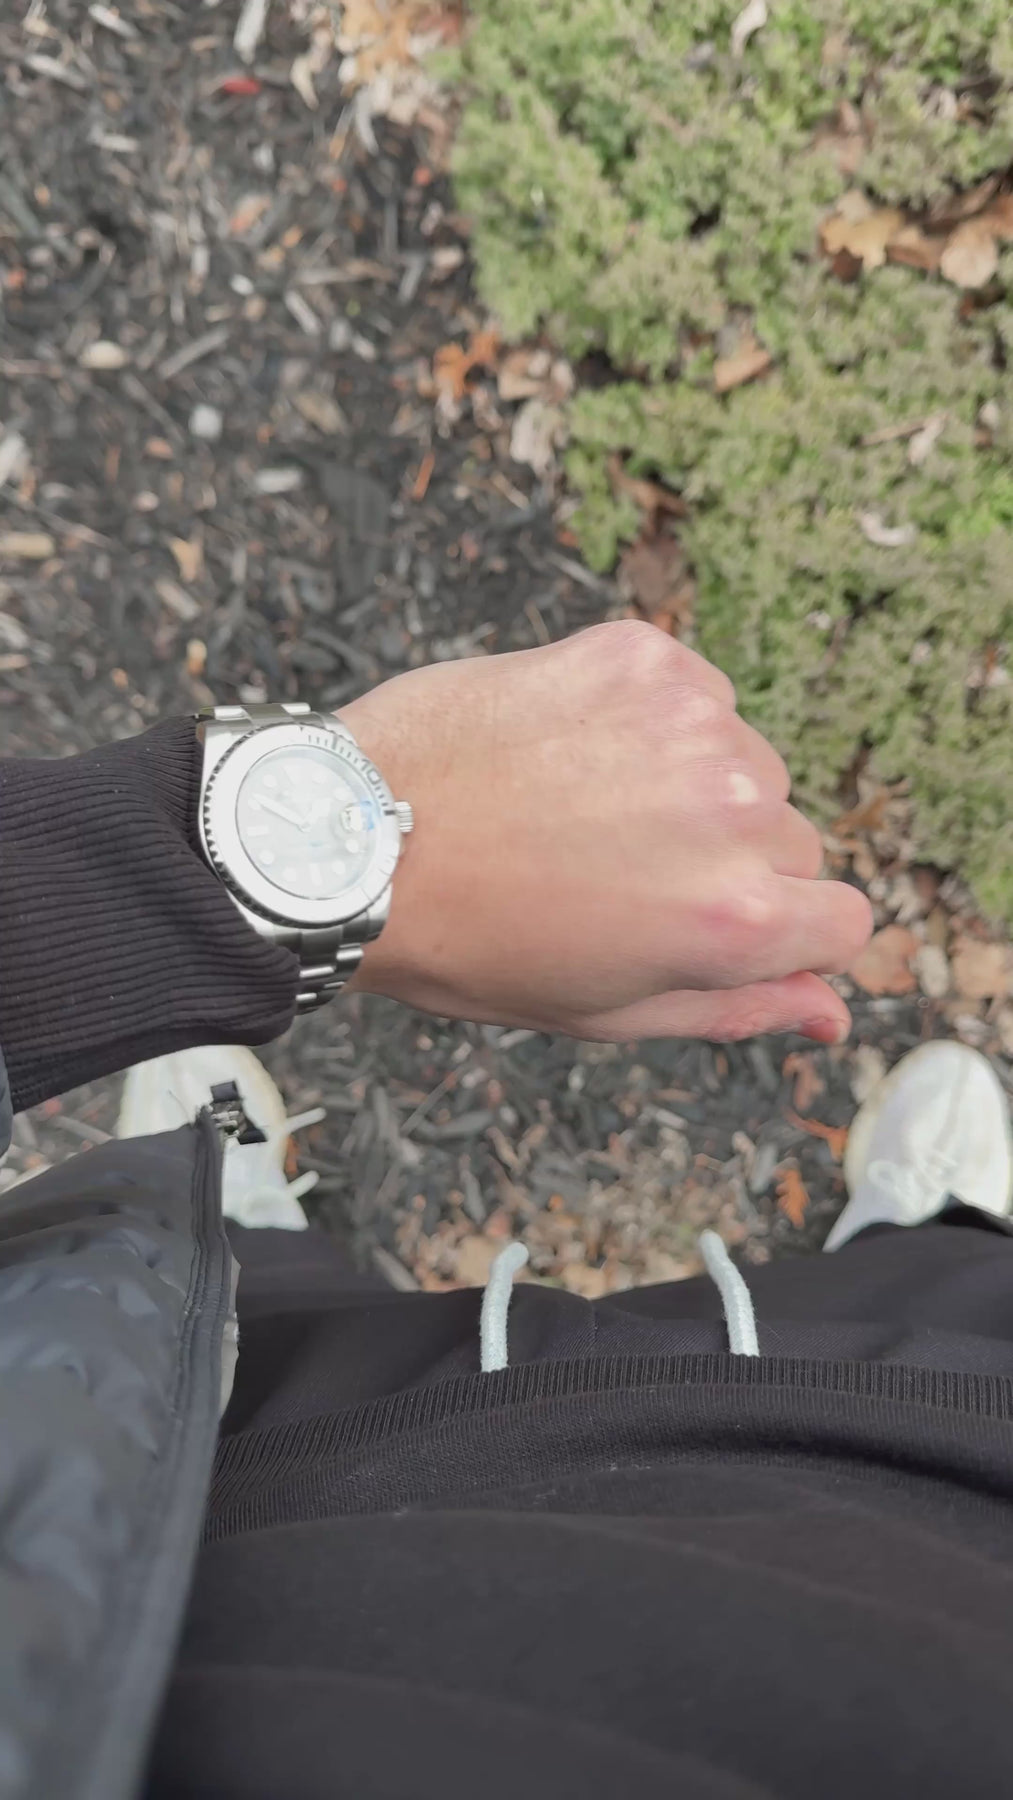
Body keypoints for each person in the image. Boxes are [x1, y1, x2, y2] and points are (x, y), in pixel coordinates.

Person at [2, 623, 1013, 1800]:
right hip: (957, 1457)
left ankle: (236, 1231)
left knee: (237, 1321)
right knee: (930, 1295)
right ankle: (923, 1233)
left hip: (218, 1517)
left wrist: (193, 878)